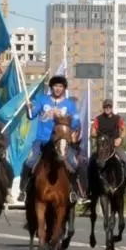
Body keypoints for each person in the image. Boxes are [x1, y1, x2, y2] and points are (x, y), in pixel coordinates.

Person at [18, 75, 82, 203]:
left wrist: (63, 117)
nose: (58, 88)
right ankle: (23, 190)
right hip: (42, 140)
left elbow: (76, 122)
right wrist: (29, 108)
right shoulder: (42, 100)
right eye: (55, 86)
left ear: (64, 88)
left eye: (60, 86)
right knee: (30, 161)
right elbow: (32, 115)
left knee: (74, 163)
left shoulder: (69, 104)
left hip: (61, 141)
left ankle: (75, 191)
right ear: (51, 87)